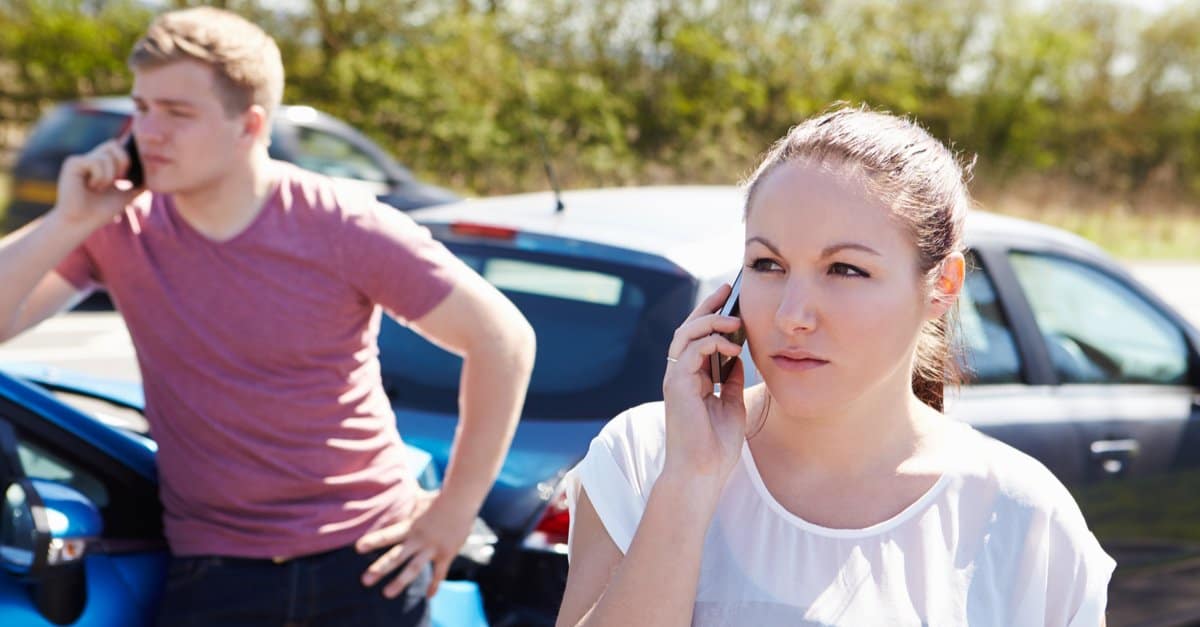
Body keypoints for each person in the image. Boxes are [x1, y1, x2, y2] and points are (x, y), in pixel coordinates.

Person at [0, 7, 535, 626]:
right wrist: (69, 221)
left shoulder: (339, 223)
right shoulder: (121, 224)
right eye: (142, 108)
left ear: (249, 126)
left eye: (177, 113)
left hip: (366, 563)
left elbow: (503, 340)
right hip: (217, 572)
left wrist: (455, 511)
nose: (148, 132)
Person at [556, 107, 1114, 626]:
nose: (793, 315)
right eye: (768, 264)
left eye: (845, 270)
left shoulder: (1022, 515)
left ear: (942, 285)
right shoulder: (645, 456)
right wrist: (689, 482)